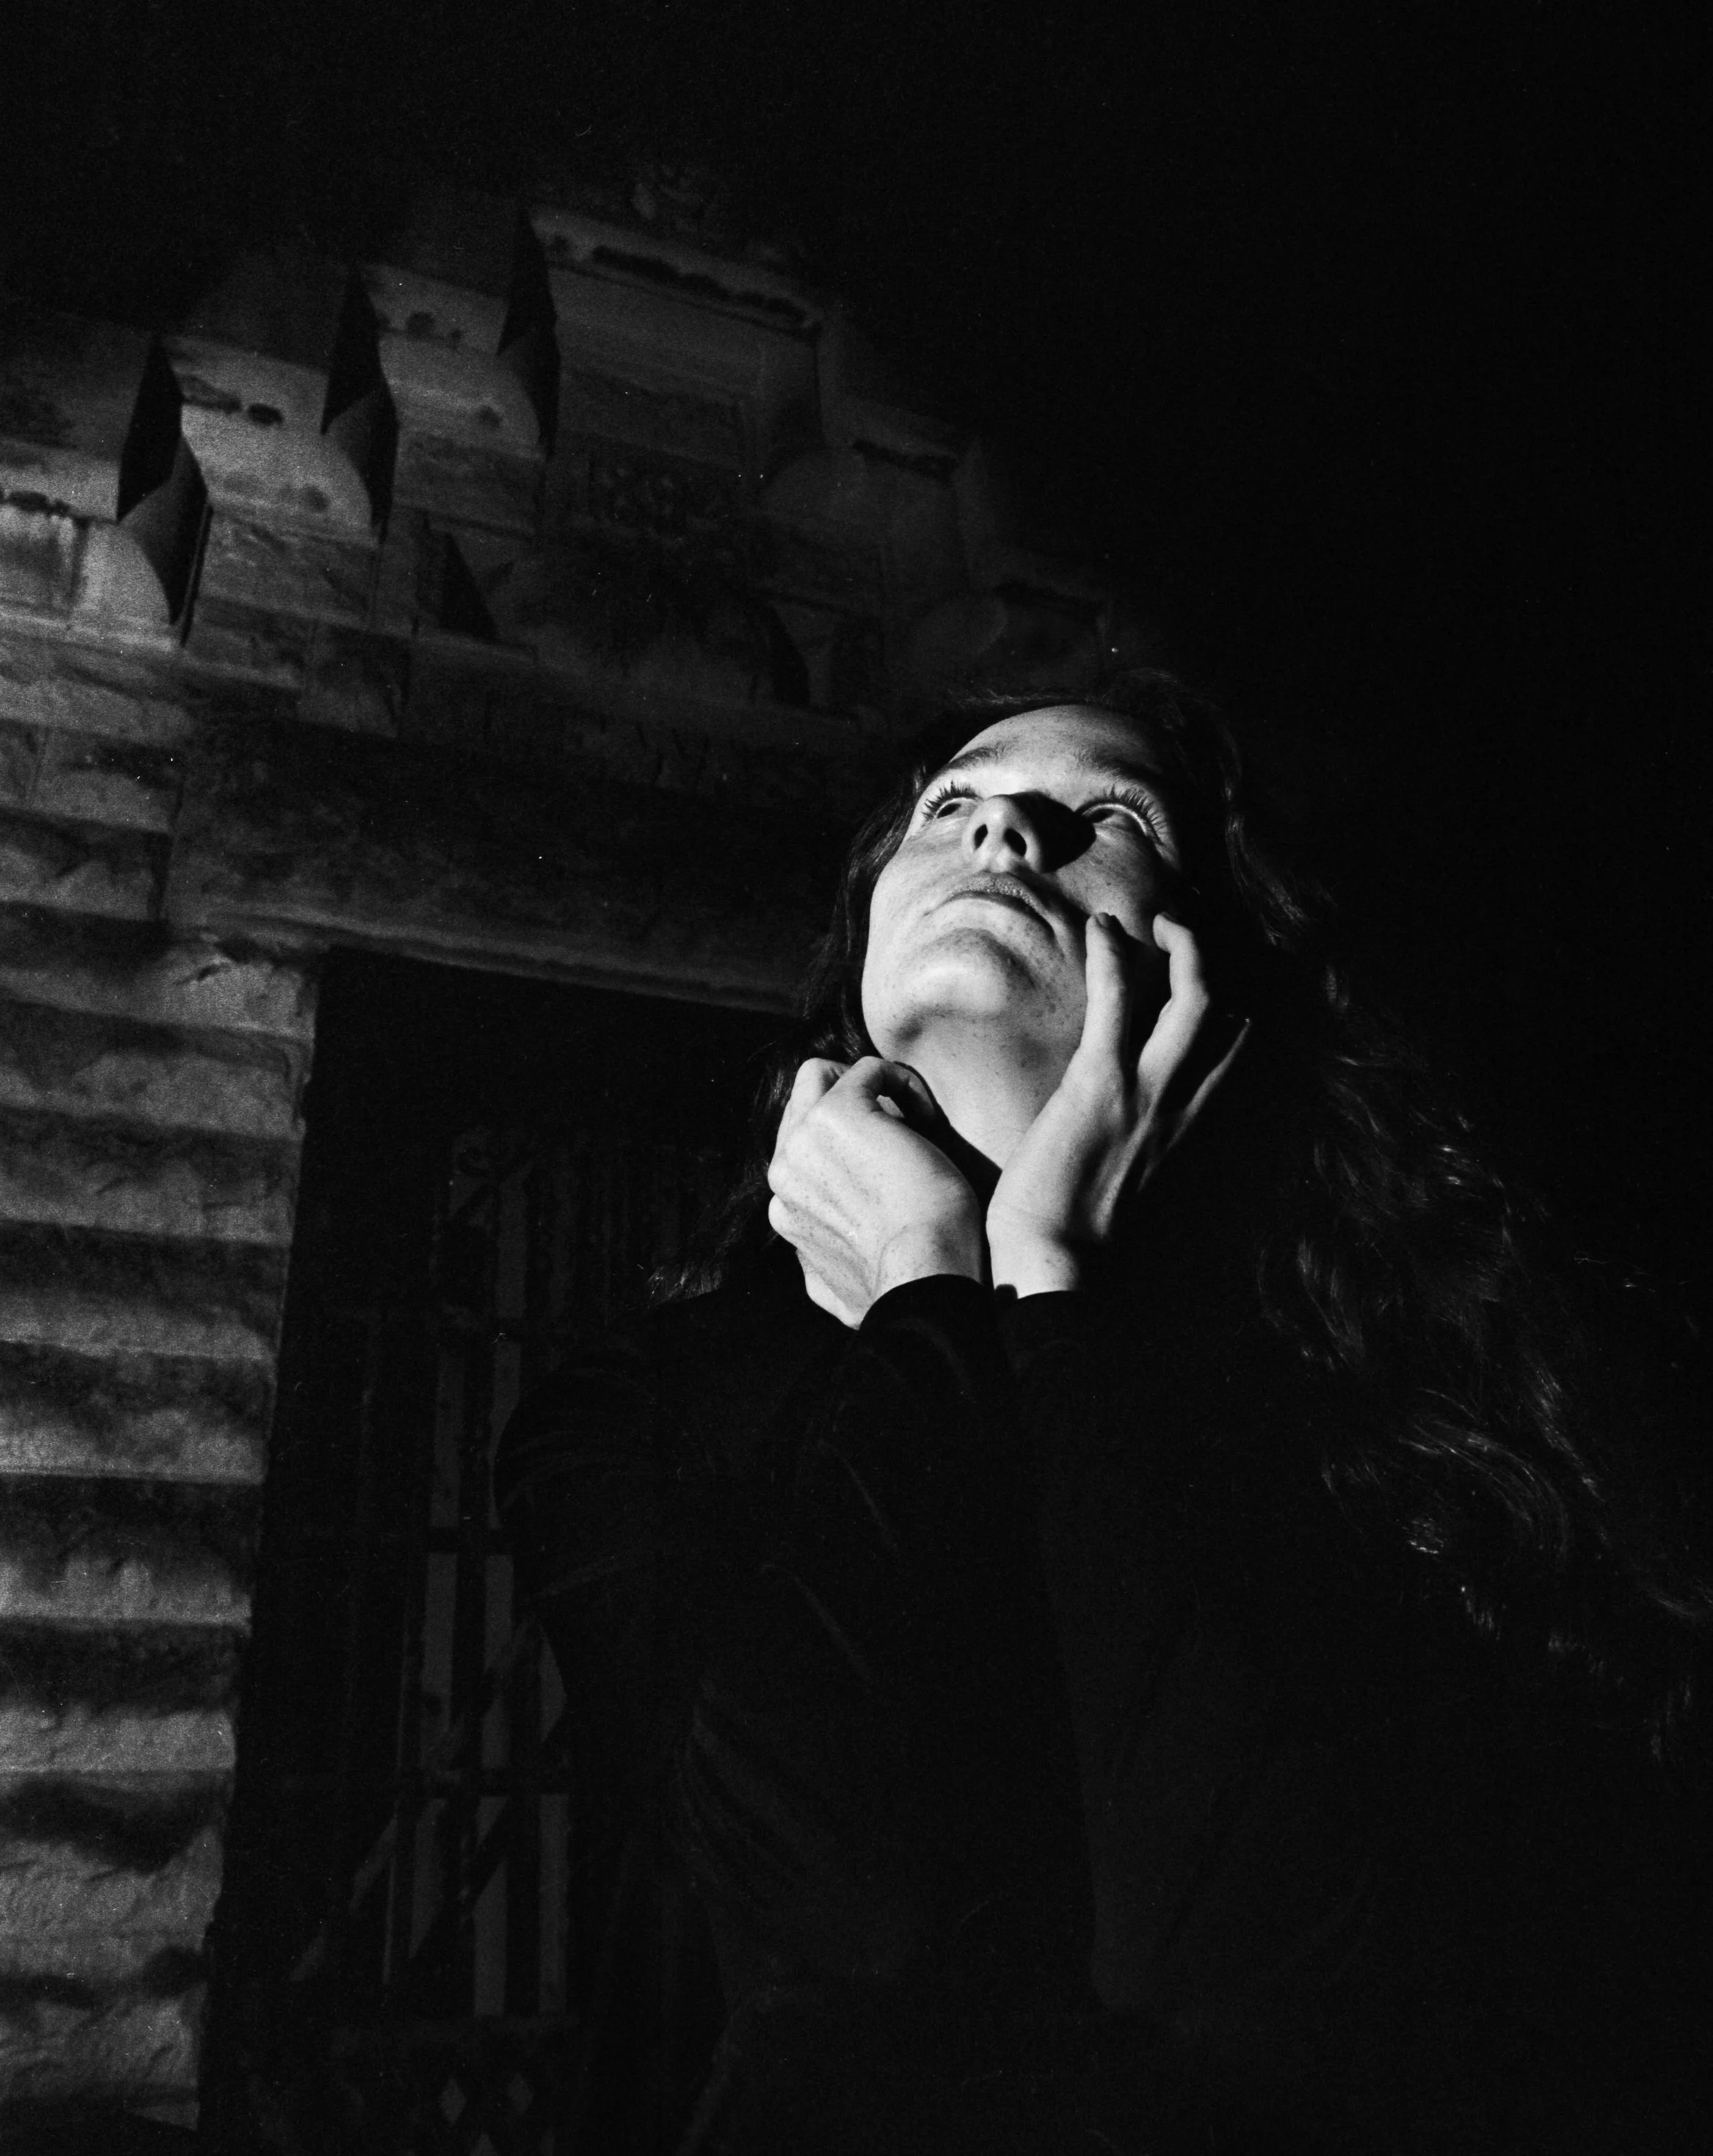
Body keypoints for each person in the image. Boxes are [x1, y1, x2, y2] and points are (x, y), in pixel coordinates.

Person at [496, 669, 1708, 2153]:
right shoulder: (635, 1407)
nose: (1004, 829)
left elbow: (1235, 1966)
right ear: (866, 926)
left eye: (1105, 817)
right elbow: (843, 1908)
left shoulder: (1404, 1394)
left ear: (1212, 961)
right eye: (951, 806)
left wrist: (1052, 1278)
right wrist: (924, 1289)